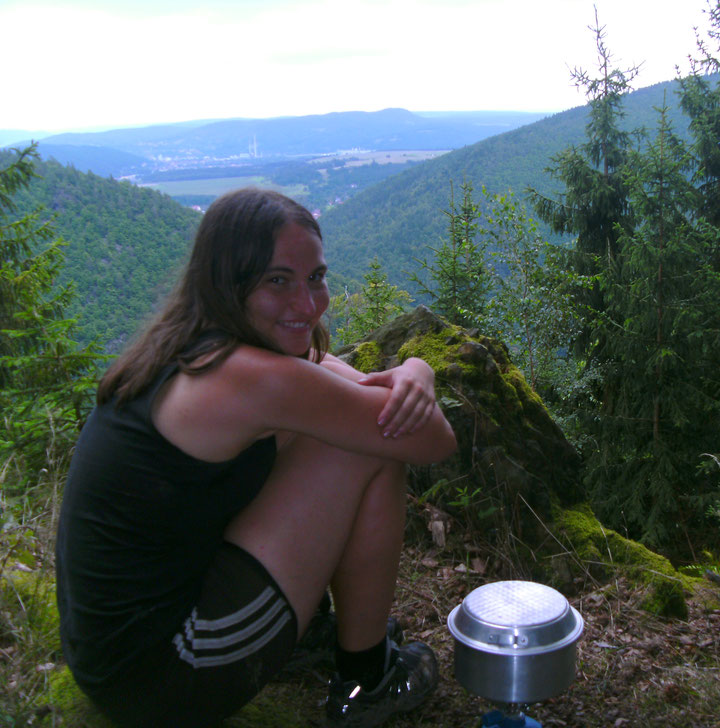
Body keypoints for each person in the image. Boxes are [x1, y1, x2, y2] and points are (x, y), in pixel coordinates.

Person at [55, 187, 457, 728]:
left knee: (343, 430)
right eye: (277, 280)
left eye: (315, 276)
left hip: (115, 657)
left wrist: (416, 370)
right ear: (229, 282)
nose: (308, 303)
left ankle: (305, 635)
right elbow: (429, 437)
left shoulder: (196, 344)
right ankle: (369, 679)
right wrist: (417, 375)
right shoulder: (248, 378)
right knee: (365, 448)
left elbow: (360, 394)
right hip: (165, 676)